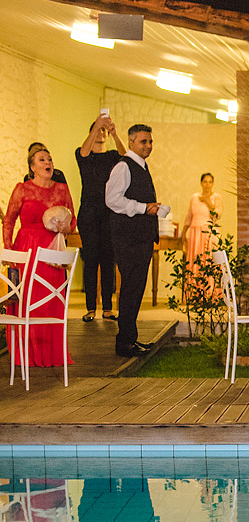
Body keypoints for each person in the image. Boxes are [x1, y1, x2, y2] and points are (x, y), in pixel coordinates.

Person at [3, 145, 76, 368]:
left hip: (52, 252)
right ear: (32, 167)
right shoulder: (22, 189)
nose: (48, 163)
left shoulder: (62, 189)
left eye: (50, 159)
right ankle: (25, 353)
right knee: (26, 300)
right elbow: (9, 220)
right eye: (42, 160)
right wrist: (8, 250)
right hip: (25, 248)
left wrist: (66, 226)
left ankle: (51, 353)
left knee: (50, 301)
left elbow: (73, 223)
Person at [105, 123, 162, 358]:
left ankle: (131, 338)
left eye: (150, 141)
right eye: (143, 142)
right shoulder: (123, 167)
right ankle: (124, 343)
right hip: (129, 238)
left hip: (141, 237)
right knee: (130, 289)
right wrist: (142, 207)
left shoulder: (141, 166)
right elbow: (112, 199)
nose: (148, 146)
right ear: (131, 142)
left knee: (136, 289)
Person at [75, 113, 126, 322]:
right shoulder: (82, 153)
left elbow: (127, 157)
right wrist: (97, 124)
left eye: (104, 130)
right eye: (99, 130)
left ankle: (107, 307)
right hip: (88, 212)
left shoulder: (113, 156)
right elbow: (84, 152)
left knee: (108, 258)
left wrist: (114, 133)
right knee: (91, 259)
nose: (102, 133)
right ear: (92, 131)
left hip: (108, 212)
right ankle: (90, 308)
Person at [181, 172, 222, 267]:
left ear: (213, 184)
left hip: (208, 233)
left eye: (210, 182)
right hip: (195, 233)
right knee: (194, 259)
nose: (207, 185)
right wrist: (183, 233)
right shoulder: (194, 197)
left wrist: (207, 202)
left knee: (207, 260)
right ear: (201, 183)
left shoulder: (216, 197)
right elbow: (189, 216)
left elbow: (217, 215)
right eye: (205, 182)